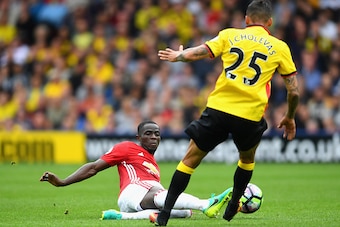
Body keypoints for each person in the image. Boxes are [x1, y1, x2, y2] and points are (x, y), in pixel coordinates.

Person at [154, 0, 299, 226]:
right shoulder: (280, 47)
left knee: (190, 159)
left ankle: (164, 215)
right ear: (270, 22)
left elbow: (202, 51)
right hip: (250, 115)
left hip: (219, 109)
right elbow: (294, 91)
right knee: (247, 159)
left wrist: (179, 56)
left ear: (246, 19)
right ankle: (234, 205)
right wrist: (289, 116)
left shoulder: (230, 34)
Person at [39, 120, 232, 220]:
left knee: (183, 213)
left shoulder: (153, 165)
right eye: (148, 134)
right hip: (134, 191)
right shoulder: (128, 148)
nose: (154, 137)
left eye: (157, 134)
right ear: (138, 137)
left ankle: (120, 216)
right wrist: (62, 182)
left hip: (134, 202)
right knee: (162, 194)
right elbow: (93, 168)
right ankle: (205, 203)